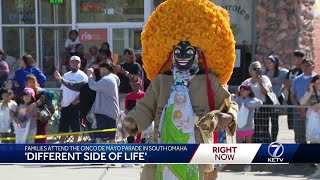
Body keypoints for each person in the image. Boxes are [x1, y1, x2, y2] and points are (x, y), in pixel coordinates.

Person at [122, 0, 238, 179]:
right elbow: (145, 108)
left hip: (196, 154)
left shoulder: (208, 81)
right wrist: (131, 123)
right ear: (171, 53)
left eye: (188, 51)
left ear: (197, 55)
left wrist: (228, 115)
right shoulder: (161, 81)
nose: (182, 56)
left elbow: (229, 104)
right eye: (178, 51)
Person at [87, 62, 120, 143]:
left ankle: (108, 155)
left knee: (104, 140)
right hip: (107, 113)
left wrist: (90, 75)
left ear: (106, 69)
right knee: (107, 139)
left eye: (100, 68)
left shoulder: (107, 79)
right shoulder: (112, 78)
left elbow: (93, 86)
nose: (99, 71)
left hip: (106, 114)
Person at [58, 56, 88, 143]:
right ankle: (61, 144)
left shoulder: (83, 75)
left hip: (76, 105)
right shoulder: (66, 75)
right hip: (65, 104)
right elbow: (62, 89)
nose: (74, 64)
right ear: (69, 64)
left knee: (76, 126)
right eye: (72, 62)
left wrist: (77, 100)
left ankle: (75, 145)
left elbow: (85, 91)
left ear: (80, 64)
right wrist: (60, 101)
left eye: (77, 62)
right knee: (63, 126)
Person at [241, 61, 273, 143]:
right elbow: (240, 92)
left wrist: (260, 83)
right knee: (253, 128)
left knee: (264, 128)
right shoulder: (247, 82)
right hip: (250, 109)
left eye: (259, 69)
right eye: (255, 69)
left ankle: (267, 146)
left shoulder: (265, 79)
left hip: (262, 108)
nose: (257, 71)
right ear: (251, 71)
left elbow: (266, 92)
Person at [235, 84, 262, 172]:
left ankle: (247, 162)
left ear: (249, 91)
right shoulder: (238, 99)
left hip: (249, 126)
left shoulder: (252, 99)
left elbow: (260, 102)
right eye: (241, 91)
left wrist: (248, 104)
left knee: (248, 144)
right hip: (239, 126)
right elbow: (232, 102)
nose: (242, 92)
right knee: (238, 143)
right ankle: (238, 161)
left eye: (244, 91)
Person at [263, 55, 288, 142]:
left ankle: (274, 139)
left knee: (274, 120)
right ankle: (267, 138)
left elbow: (289, 78)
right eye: (267, 62)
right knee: (265, 119)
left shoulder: (282, 72)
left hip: (277, 98)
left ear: (275, 63)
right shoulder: (264, 73)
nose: (268, 64)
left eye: (270, 62)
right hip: (267, 98)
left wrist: (283, 89)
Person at [291, 58, 316, 143]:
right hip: (298, 110)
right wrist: (299, 108)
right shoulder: (296, 79)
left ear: (313, 67)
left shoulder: (316, 79)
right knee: (299, 135)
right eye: (303, 65)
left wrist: (307, 107)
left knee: (314, 135)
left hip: (314, 110)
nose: (305, 67)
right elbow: (292, 96)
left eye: (308, 65)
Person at [299, 75, 320, 179]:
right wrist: (311, 91)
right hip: (313, 122)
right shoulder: (310, 93)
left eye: (319, 83)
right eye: (315, 83)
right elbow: (302, 103)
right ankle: (318, 170)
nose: (318, 85)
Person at [25, 74, 54, 143]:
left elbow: (45, 103)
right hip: (31, 119)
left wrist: (36, 104)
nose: (32, 84)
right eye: (29, 82)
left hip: (41, 118)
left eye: (33, 82)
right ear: (26, 83)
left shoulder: (42, 92)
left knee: (41, 136)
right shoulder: (26, 92)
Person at [284, 50, 304, 130]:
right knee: (292, 125)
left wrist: (292, 84)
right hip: (290, 100)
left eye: (298, 58)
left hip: (300, 101)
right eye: (295, 57)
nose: (296, 59)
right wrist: (291, 84)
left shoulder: (304, 71)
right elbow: (285, 82)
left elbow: (300, 84)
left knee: (301, 125)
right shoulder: (291, 71)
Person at [124, 76, 146, 144]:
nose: (133, 84)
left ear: (139, 83)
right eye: (132, 82)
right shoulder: (128, 96)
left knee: (142, 137)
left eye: (135, 82)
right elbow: (126, 109)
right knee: (130, 138)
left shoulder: (143, 95)